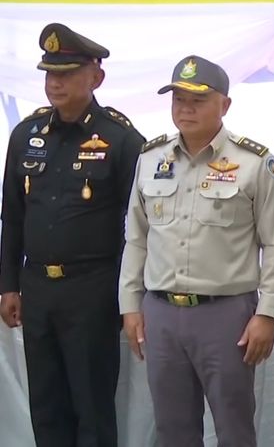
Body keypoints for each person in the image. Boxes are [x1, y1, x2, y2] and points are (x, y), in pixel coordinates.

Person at [118, 55, 274, 446]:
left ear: (225, 105)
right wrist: (129, 304)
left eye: (198, 99)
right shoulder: (150, 159)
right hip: (161, 312)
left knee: (234, 427)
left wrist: (267, 313)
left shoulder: (253, 163)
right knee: (172, 429)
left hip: (226, 316)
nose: (186, 108)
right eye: (178, 99)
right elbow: (137, 238)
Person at [0, 23, 144, 447]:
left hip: (92, 291)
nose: (55, 83)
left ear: (95, 77)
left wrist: (130, 294)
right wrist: (8, 284)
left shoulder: (120, 138)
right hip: (37, 288)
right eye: (49, 74)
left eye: (65, 73)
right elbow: (13, 216)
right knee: (46, 408)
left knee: (92, 408)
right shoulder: (26, 135)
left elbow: (139, 226)